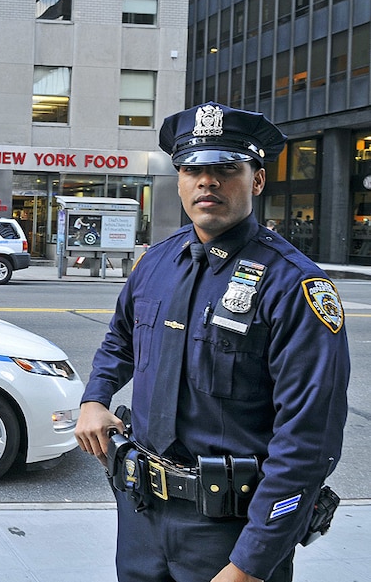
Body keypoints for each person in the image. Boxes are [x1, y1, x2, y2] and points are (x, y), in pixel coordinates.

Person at [75, 102, 350, 582]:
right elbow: (121, 338)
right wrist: (95, 397)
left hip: (229, 532)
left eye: (226, 168)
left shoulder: (293, 287)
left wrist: (251, 562)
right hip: (140, 513)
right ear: (179, 180)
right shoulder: (156, 263)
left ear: (257, 181)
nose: (207, 181)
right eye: (193, 169)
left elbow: (308, 443)